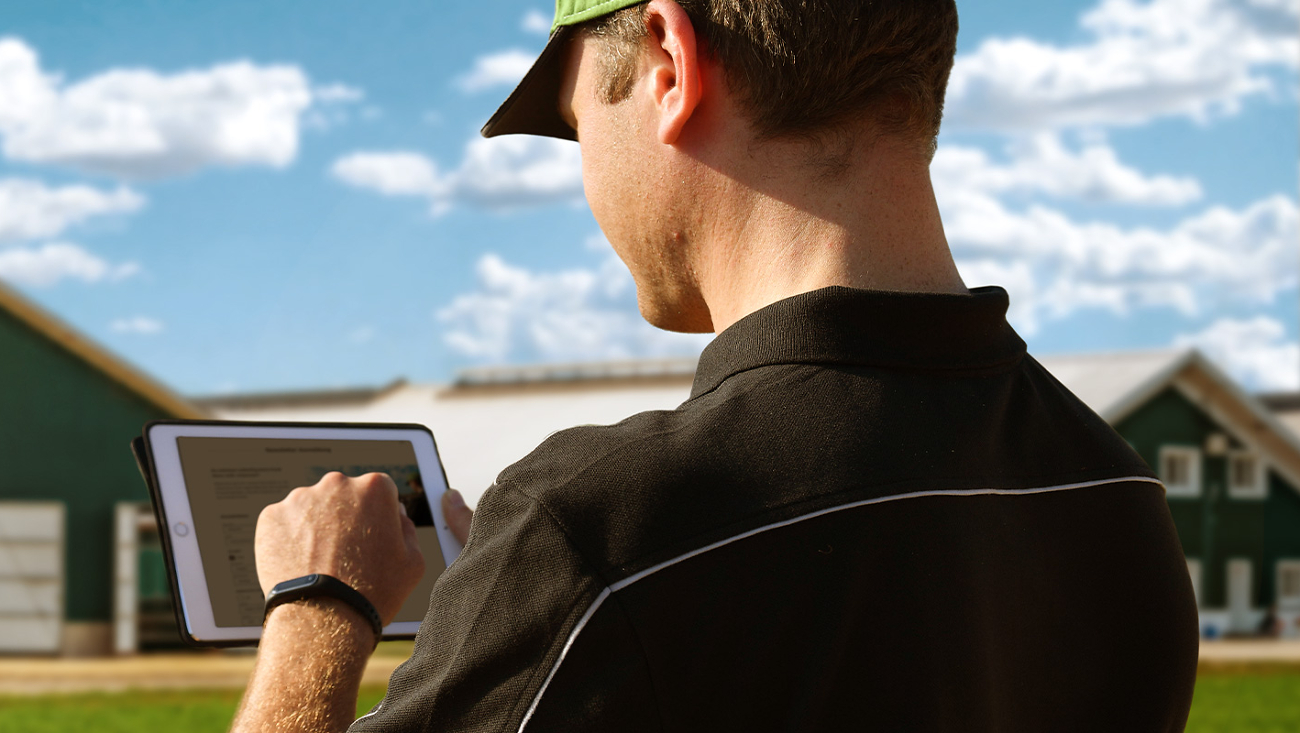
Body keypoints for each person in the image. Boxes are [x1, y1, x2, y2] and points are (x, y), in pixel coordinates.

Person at [232, 1, 1200, 731]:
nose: (584, 178)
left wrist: (320, 607)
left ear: (666, 61)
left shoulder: (606, 520)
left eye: (575, 125)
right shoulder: (1109, 478)